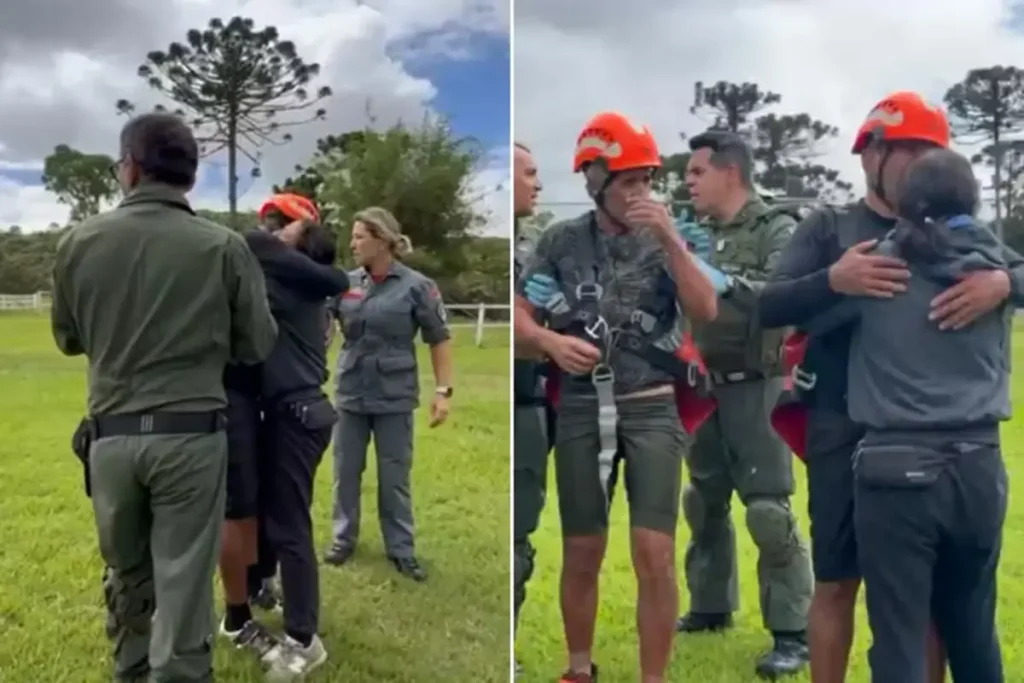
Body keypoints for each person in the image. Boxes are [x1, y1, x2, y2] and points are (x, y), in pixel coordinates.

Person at [758, 91, 1024, 683]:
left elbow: (1016, 271)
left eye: (931, 153)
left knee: (916, 603)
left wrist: (1003, 283)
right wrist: (835, 279)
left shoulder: (967, 240)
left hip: (908, 441)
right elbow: (770, 304)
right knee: (836, 581)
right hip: (841, 422)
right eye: (910, 151)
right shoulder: (830, 226)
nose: (922, 164)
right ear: (872, 156)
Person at [51, 112, 278, 683]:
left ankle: (129, 668)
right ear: (191, 177)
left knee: (127, 571)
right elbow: (256, 343)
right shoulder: (223, 247)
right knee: (182, 579)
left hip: (113, 436)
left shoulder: (78, 243)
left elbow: (67, 338)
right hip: (191, 437)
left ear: (129, 167)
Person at [514, 111, 718, 683]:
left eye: (648, 180)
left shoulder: (675, 234)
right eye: (629, 181)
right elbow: (519, 324)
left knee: (653, 553)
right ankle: (579, 669)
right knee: (583, 550)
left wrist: (673, 241)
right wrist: (551, 342)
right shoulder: (559, 241)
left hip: (653, 406)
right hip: (582, 406)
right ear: (594, 179)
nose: (641, 193)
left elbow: (705, 309)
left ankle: (653, 679)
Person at [675, 131, 813, 679]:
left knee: (767, 508)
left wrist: (718, 278)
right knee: (701, 500)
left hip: (759, 384)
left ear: (730, 172)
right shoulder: (695, 233)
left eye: (696, 173)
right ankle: (710, 605)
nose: (688, 182)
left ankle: (792, 631)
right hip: (704, 383)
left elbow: (782, 297)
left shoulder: (777, 228)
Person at [219, 206, 349, 682]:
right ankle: (262, 591)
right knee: (276, 520)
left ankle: (303, 641)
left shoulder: (290, 287)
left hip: (296, 414)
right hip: (288, 412)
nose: (276, 233)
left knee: (290, 526)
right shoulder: (295, 288)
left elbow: (253, 246)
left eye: (286, 231)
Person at [323, 207, 454, 582]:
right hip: (350, 391)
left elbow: (439, 338)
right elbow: (325, 327)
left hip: (395, 396)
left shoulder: (417, 286)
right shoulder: (345, 284)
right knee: (345, 471)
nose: (353, 242)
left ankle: (401, 548)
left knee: (394, 476)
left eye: (360, 235)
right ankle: (342, 539)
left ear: (382, 240)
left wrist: (443, 391)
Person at [512, 141, 549, 676]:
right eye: (532, 173)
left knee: (521, 533)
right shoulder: (520, 258)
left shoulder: (543, 251)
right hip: (518, 404)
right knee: (515, 533)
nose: (539, 184)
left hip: (537, 404)